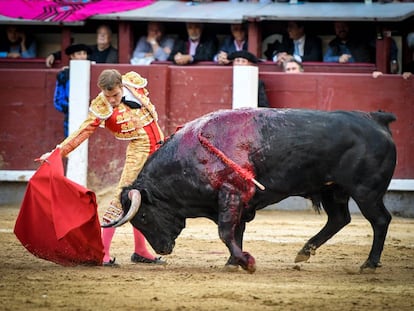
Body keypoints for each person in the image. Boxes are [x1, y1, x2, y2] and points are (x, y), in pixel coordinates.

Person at [40, 69, 166, 267]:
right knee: (122, 197)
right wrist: (58, 152)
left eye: (115, 95)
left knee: (145, 200)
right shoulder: (102, 105)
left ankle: (141, 250)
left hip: (159, 147)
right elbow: (83, 131)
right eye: (108, 96)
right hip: (139, 151)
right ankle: (103, 252)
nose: (112, 100)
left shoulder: (133, 83)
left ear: (121, 86)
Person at [53, 44, 91, 138]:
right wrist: (74, 109)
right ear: (72, 56)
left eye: (84, 54)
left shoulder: (92, 70)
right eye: (79, 54)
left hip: (91, 116)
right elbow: (58, 101)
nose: (82, 56)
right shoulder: (64, 75)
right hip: (71, 116)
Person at [45, 25, 118, 67]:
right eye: (100, 33)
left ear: (110, 37)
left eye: (105, 34)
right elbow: (72, 51)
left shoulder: (115, 53)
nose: (102, 36)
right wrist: (54, 55)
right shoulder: (88, 49)